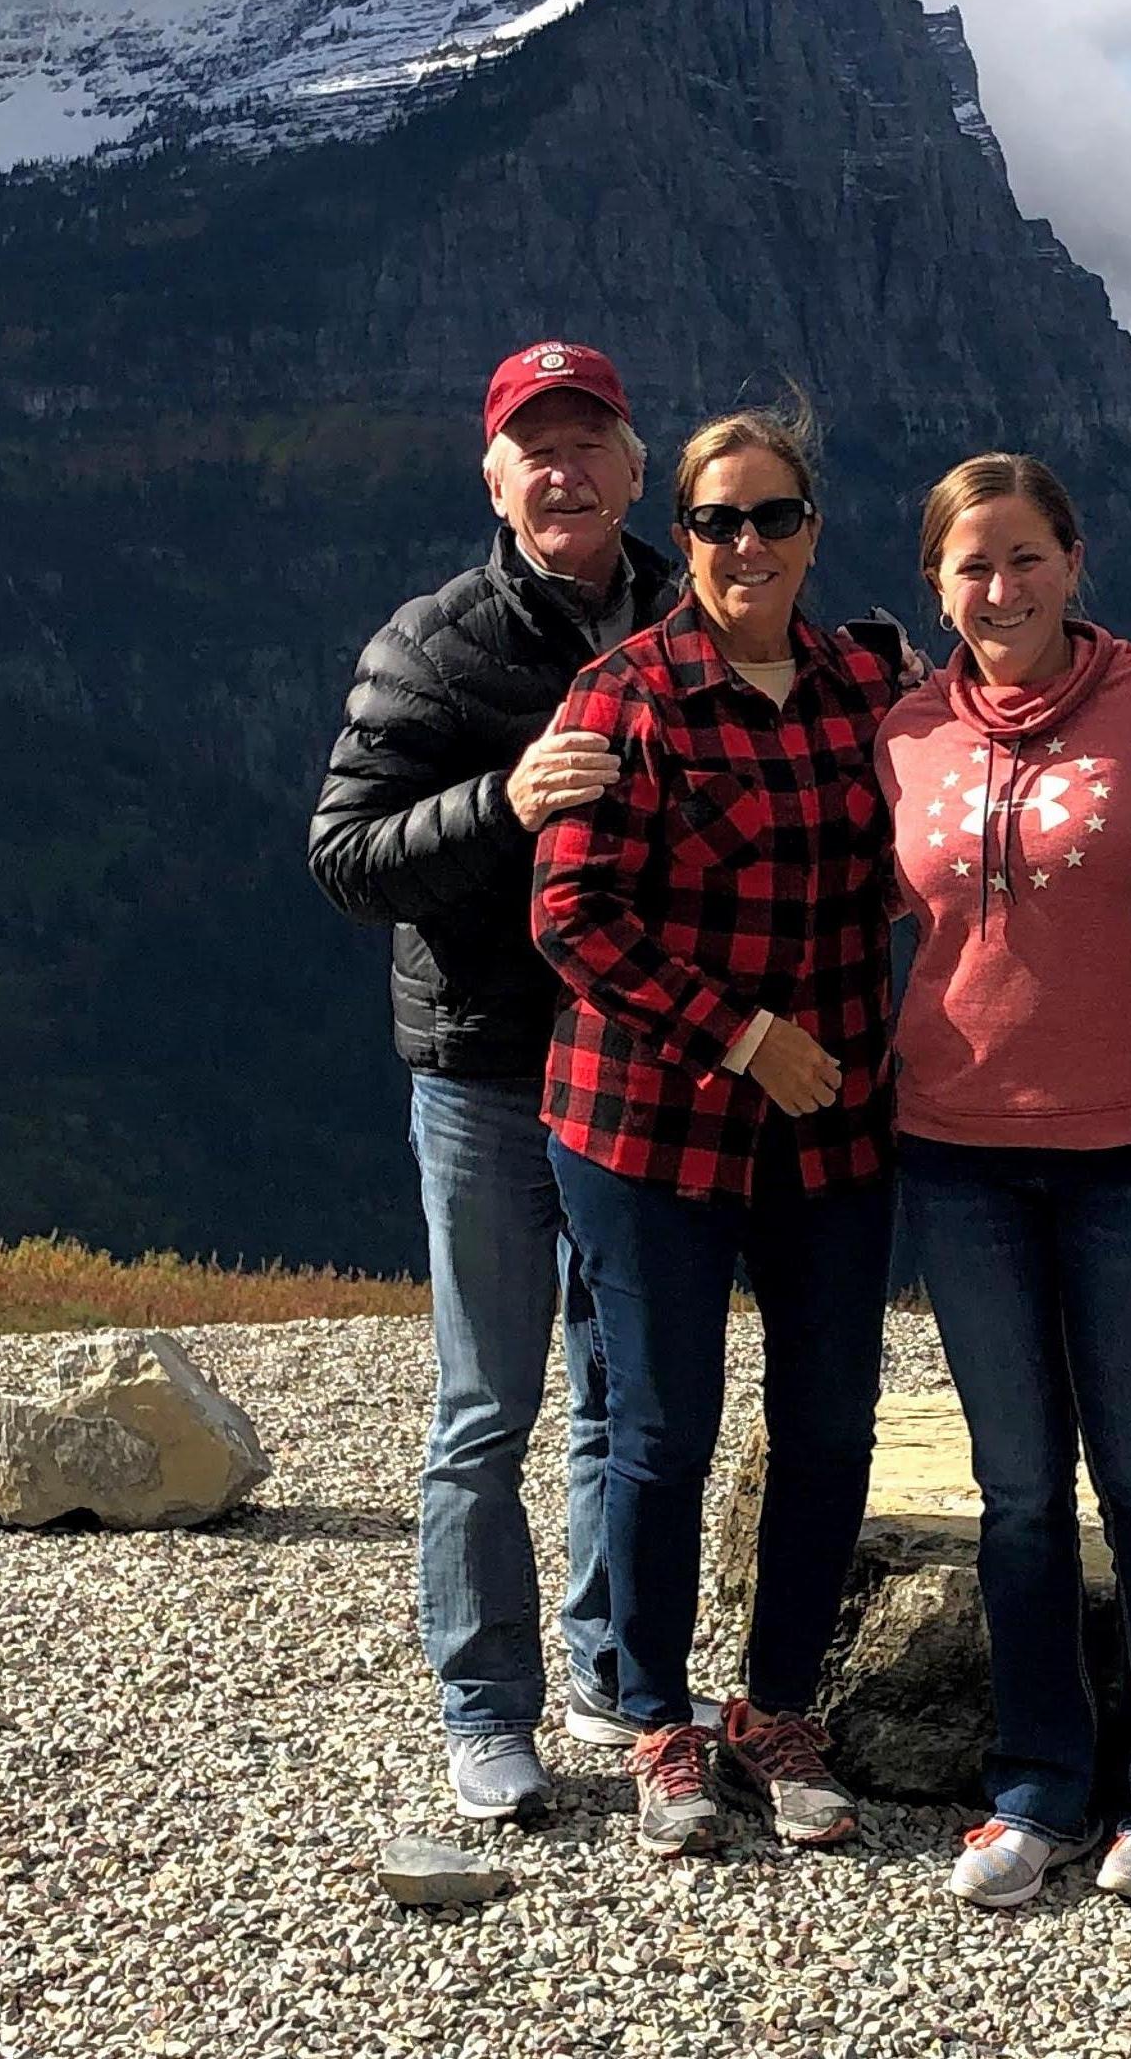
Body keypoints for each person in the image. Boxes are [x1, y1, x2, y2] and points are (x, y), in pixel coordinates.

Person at [531, 400, 909, 1859]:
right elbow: (571, 921)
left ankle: (779, 1707)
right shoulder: (622, 694)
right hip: (648, 1126)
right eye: (714, 520)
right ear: (678, 533)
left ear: (814, 528)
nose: (745, 544)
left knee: (829, 1424)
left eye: (773, 516)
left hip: (834, 1123)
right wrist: (745, 1039)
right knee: (664, 1430)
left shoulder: (867, 676)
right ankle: (658, 1718)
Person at [307, 341, 672, 1825]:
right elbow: (344, 861)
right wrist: (501, 803)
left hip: (643, 1062)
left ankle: (604, 1664)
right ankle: (482, 1706)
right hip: (485, 1074)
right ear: (494, 477)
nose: (564, 469)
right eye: (537, 447)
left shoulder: (689, 608)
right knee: (484, 1407)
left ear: (636, 467)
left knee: (616, 1391)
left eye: (590, 442)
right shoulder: (432, 645)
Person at [880, 454, 1131, 1914]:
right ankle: (1035, 1786)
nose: (1002, 589)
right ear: (936, 585)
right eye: (974, 565)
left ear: (1076, 561)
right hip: (958, 1153)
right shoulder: (899, 732)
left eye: (1027, 557)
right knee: (1017, 1489)